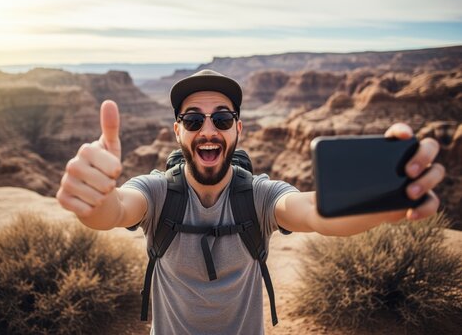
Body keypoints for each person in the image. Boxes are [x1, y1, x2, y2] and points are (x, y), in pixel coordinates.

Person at [56, 69, 445, 334]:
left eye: (222, 119)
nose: (208, 130)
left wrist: (377, 204)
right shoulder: (158, 192)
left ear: (238, 129)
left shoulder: (259, 195)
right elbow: (118, 209)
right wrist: (95, 202)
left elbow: (315, 213)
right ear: (177, 132)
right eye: (193, 120)